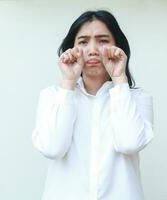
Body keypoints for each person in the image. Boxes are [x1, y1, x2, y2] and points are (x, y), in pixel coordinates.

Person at [32, 10, 154, 200]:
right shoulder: (52, 97)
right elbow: (53, 148)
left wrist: (119, 78)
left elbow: (129, 143)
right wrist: (68, 83)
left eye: (103, 40)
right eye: (83, 42)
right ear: (71, 48)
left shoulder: (137, 98)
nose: (93, 49)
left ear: (118, 46)